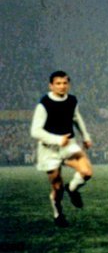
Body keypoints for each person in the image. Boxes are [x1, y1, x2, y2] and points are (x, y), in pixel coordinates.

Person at [30, 71, 94, 227]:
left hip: (69, 144)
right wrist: (57, 139)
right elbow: (35, 131)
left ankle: (72, 189)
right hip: (49, 149)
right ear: (51, 86)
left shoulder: (71, 100)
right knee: (57, 188)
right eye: (58, 83)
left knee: (86, 172)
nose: (62, 86)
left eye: (65, 83)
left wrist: (85, 136)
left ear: (68, 85)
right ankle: (58, 214)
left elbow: (76, 118)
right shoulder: (44, 104)